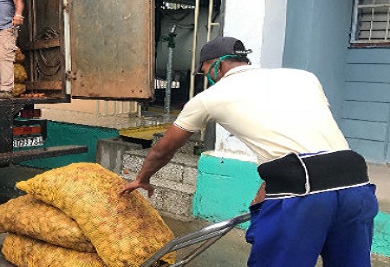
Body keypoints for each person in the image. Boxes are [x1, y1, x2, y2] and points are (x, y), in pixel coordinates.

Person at [120, 37, 378, 266]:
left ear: (218, 65)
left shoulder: (209, 98)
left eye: (206, 70)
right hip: (356, 184)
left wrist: (142, 178)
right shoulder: (303, 77)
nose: (207, 76)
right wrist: (267, 188)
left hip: (301, 196)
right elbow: (299, 140)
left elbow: (163, 151)